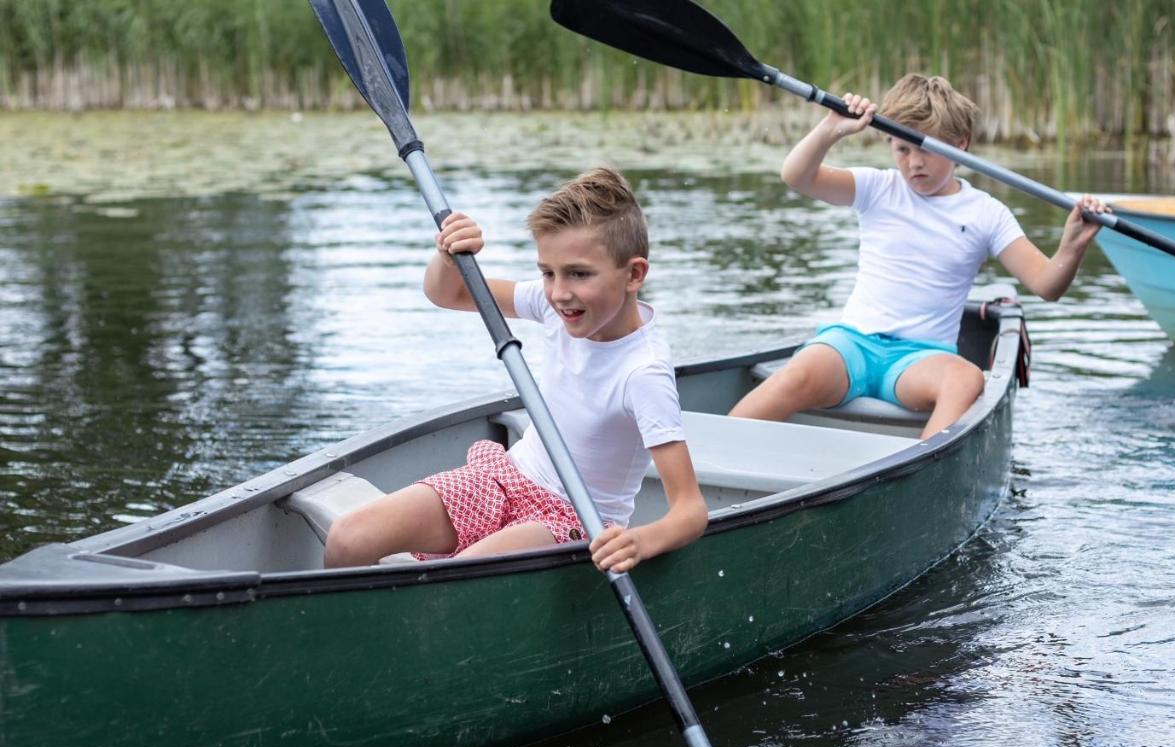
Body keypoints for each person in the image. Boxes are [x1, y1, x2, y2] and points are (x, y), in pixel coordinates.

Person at [324, 168, 707, 573]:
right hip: (506, 478)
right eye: (547, 272)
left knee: (452, 580)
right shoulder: (556, 306)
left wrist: (638, 542)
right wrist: (447, 257)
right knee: (349, 539)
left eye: (579, 274)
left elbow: (689, 510)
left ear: (634, 274)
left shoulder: (643, 372)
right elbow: (447, 293)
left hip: (573, 518)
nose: (560, 292)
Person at [730, 73, 1110, 438]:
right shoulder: (877, 187)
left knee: (966, 378)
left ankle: (916, 478)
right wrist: (831, 129)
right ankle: (704, 465)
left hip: (919, 360)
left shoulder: (985, 213)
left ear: (960, 144)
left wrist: (1072, 245)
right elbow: (797, 176)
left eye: (926, 149)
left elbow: (1047, 285)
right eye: (902, 149)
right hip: (852, 344)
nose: (914, 163)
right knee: (796, 374)